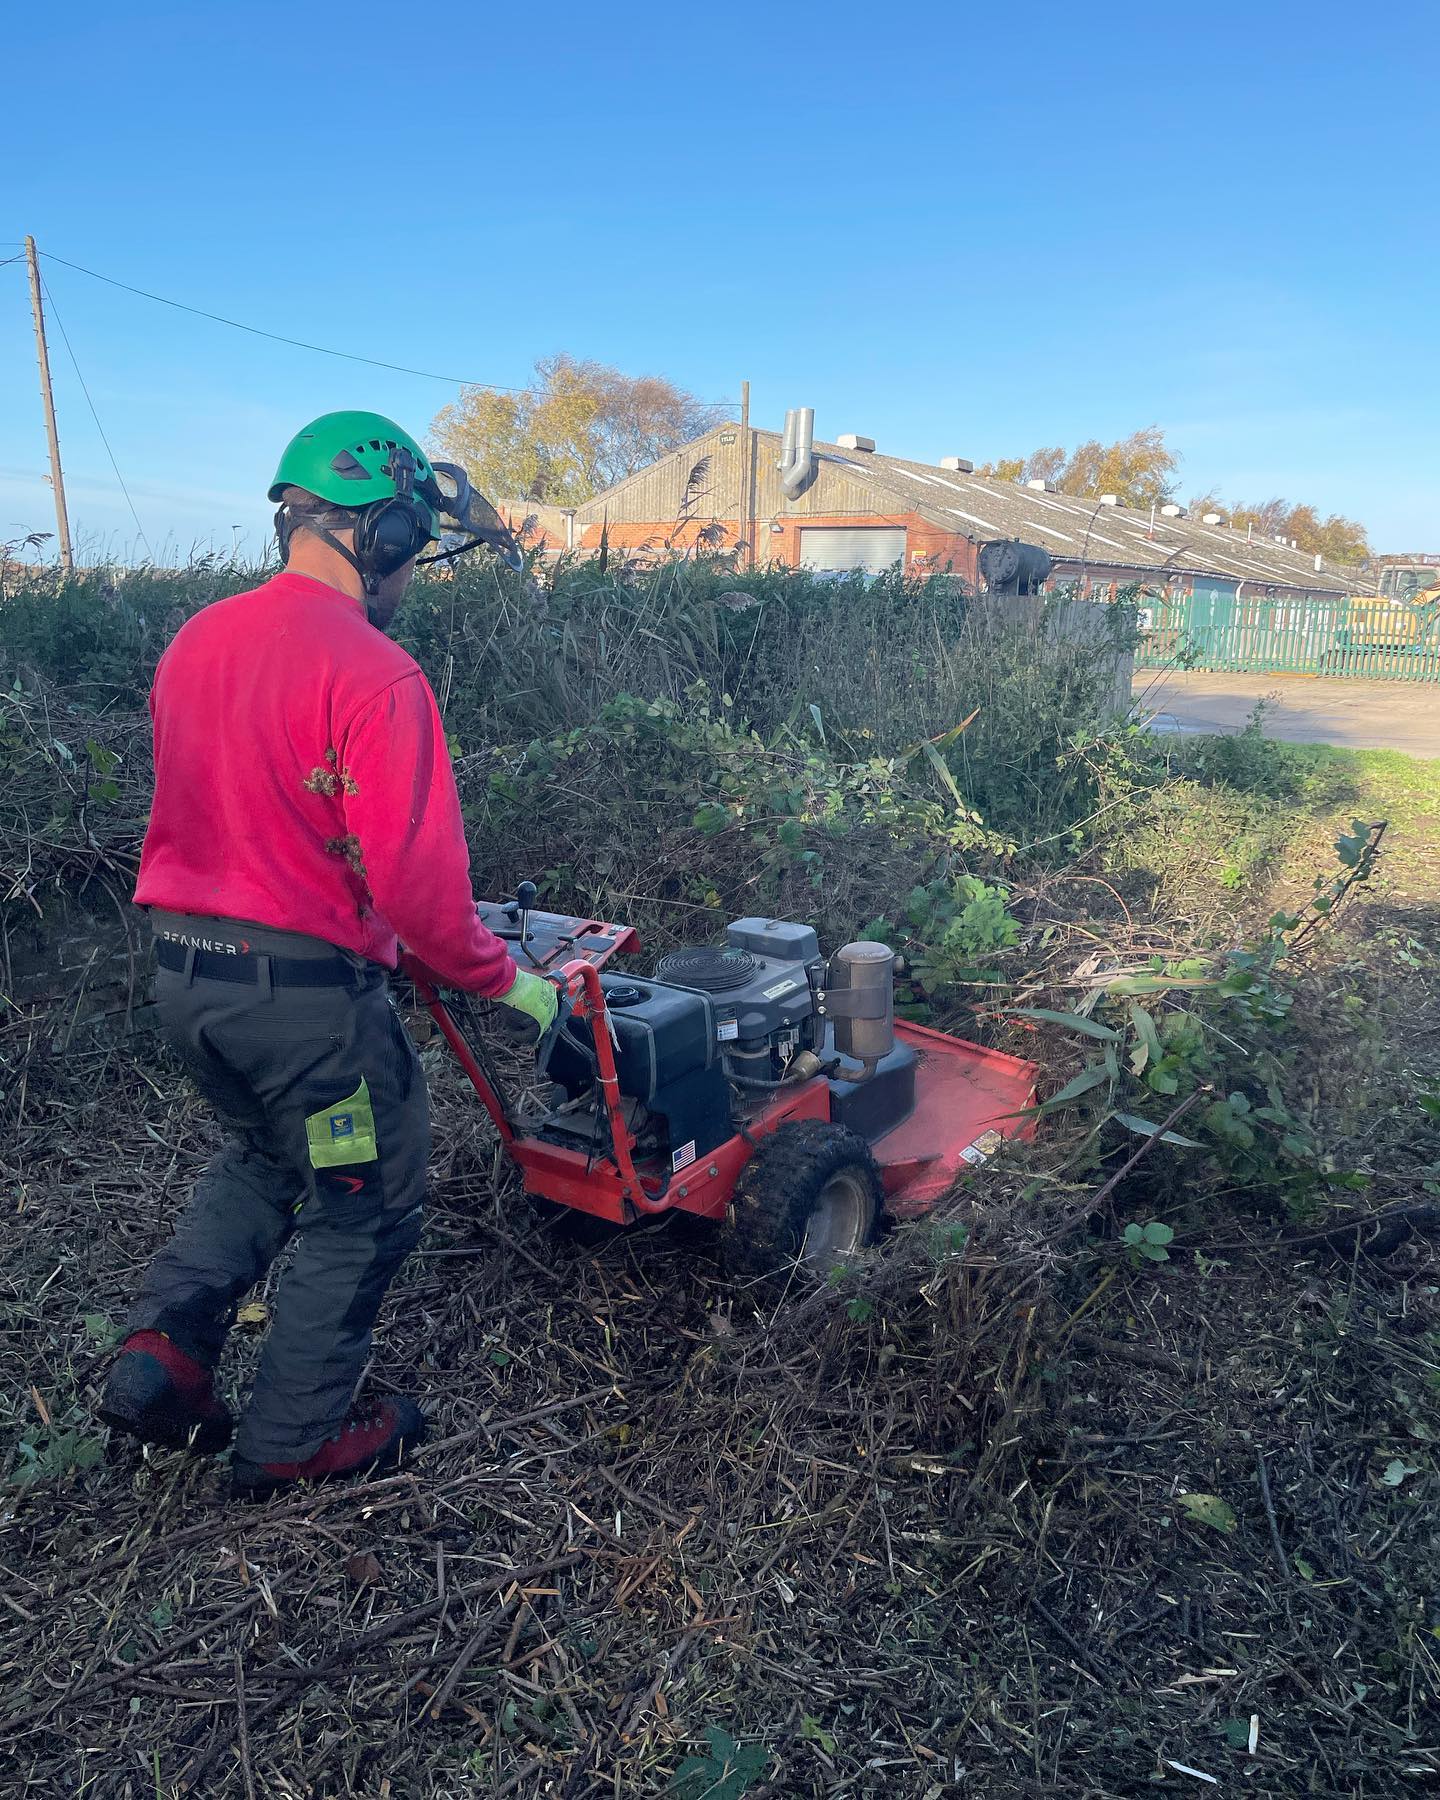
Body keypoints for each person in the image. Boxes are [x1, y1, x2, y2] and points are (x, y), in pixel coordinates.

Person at [99, 411, 556, 1499]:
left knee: (264, 1158)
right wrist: (508, 981)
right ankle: (294, 1439)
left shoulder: (195, 641)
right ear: (386, 533)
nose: (410, 576)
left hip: (187, 984)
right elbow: (418, 893)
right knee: (364, 1200)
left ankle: (162, 1353)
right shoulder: (375, 673)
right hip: (307, 1015)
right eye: (412, 551)